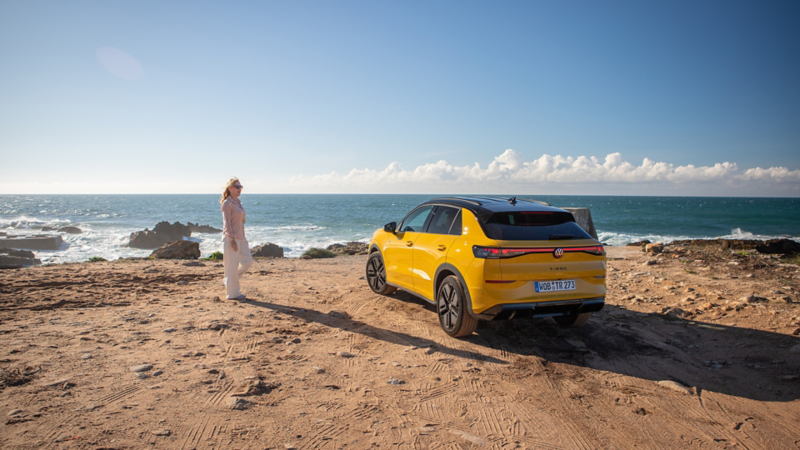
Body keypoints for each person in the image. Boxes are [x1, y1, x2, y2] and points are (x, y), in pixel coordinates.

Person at [220, 178, 253, 300]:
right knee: (231, 266)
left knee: (248, 261)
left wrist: (244, 238)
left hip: (241, 238)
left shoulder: (237, 202)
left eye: (240, 187)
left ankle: (228, 280)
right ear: (230, 188)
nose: (239, 189)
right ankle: (233, 294)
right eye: (237, 187)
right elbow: (226, 224)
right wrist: (232, 239)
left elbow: (240, 222)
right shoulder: (227, 204)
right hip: (231, 238)